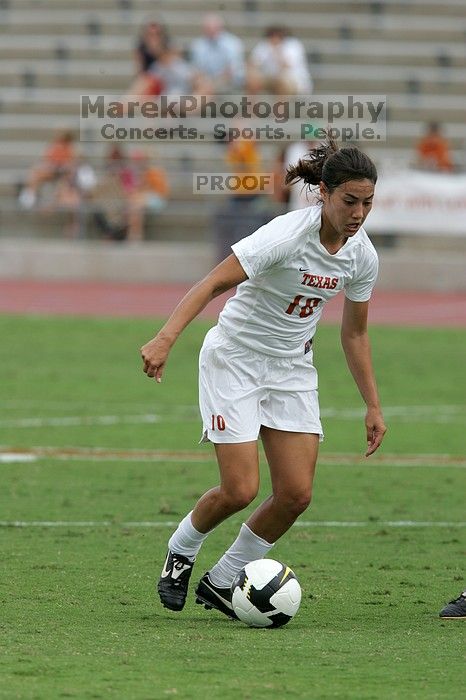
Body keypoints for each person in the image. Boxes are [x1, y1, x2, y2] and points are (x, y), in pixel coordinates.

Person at [141, 135, 387, 618]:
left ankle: (225, 578)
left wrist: (373, 405)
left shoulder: (362, 256)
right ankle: (182, 552)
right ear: (324, 192)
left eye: (368, 203)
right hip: (235, 358)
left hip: (292, 367)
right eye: (349, 201)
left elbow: (354, 334)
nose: (358, 213)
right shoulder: (285, 235)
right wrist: (166, 337)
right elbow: (212, 282)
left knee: (296, 494)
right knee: (240, 489)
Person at [247, 26, 313, 96]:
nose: (274, 38)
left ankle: (279, 107)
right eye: (272, 36)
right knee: (253, 81)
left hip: (294, 81)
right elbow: (252, 63)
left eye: (277, 36)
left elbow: (286, 66)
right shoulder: (264, 45)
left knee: (282, 83)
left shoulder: (293, 45)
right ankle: (251, 106)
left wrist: (276, 51)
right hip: (272, 80)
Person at [190, 13, 245, 94]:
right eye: (208, 28)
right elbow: (197, 69)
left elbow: (232, 70)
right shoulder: (198, 44)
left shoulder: (233, 43)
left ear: (221, 28)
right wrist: (204, 80)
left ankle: (189, 104)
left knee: (205, 90)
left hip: (228, 81)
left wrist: (213, 83)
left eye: (215, 28)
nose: (212, 31)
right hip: (205, 82)